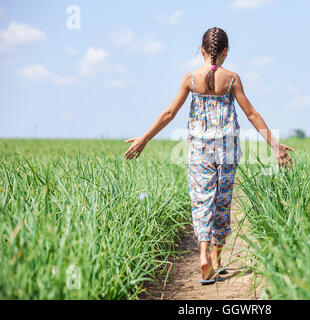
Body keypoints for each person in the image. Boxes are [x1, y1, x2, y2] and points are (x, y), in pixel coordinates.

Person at [124, 27, 293, 285]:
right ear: (225, 52)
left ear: (202, 50)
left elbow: (169, 113)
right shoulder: (232, 78)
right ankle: (216, 259)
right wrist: (274, 144)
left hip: (199, 149)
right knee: (222, 202)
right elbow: (251, 114)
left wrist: (144, 139)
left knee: (202, 200)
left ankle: (203, 255)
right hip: (227, 148)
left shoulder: (190, 79)